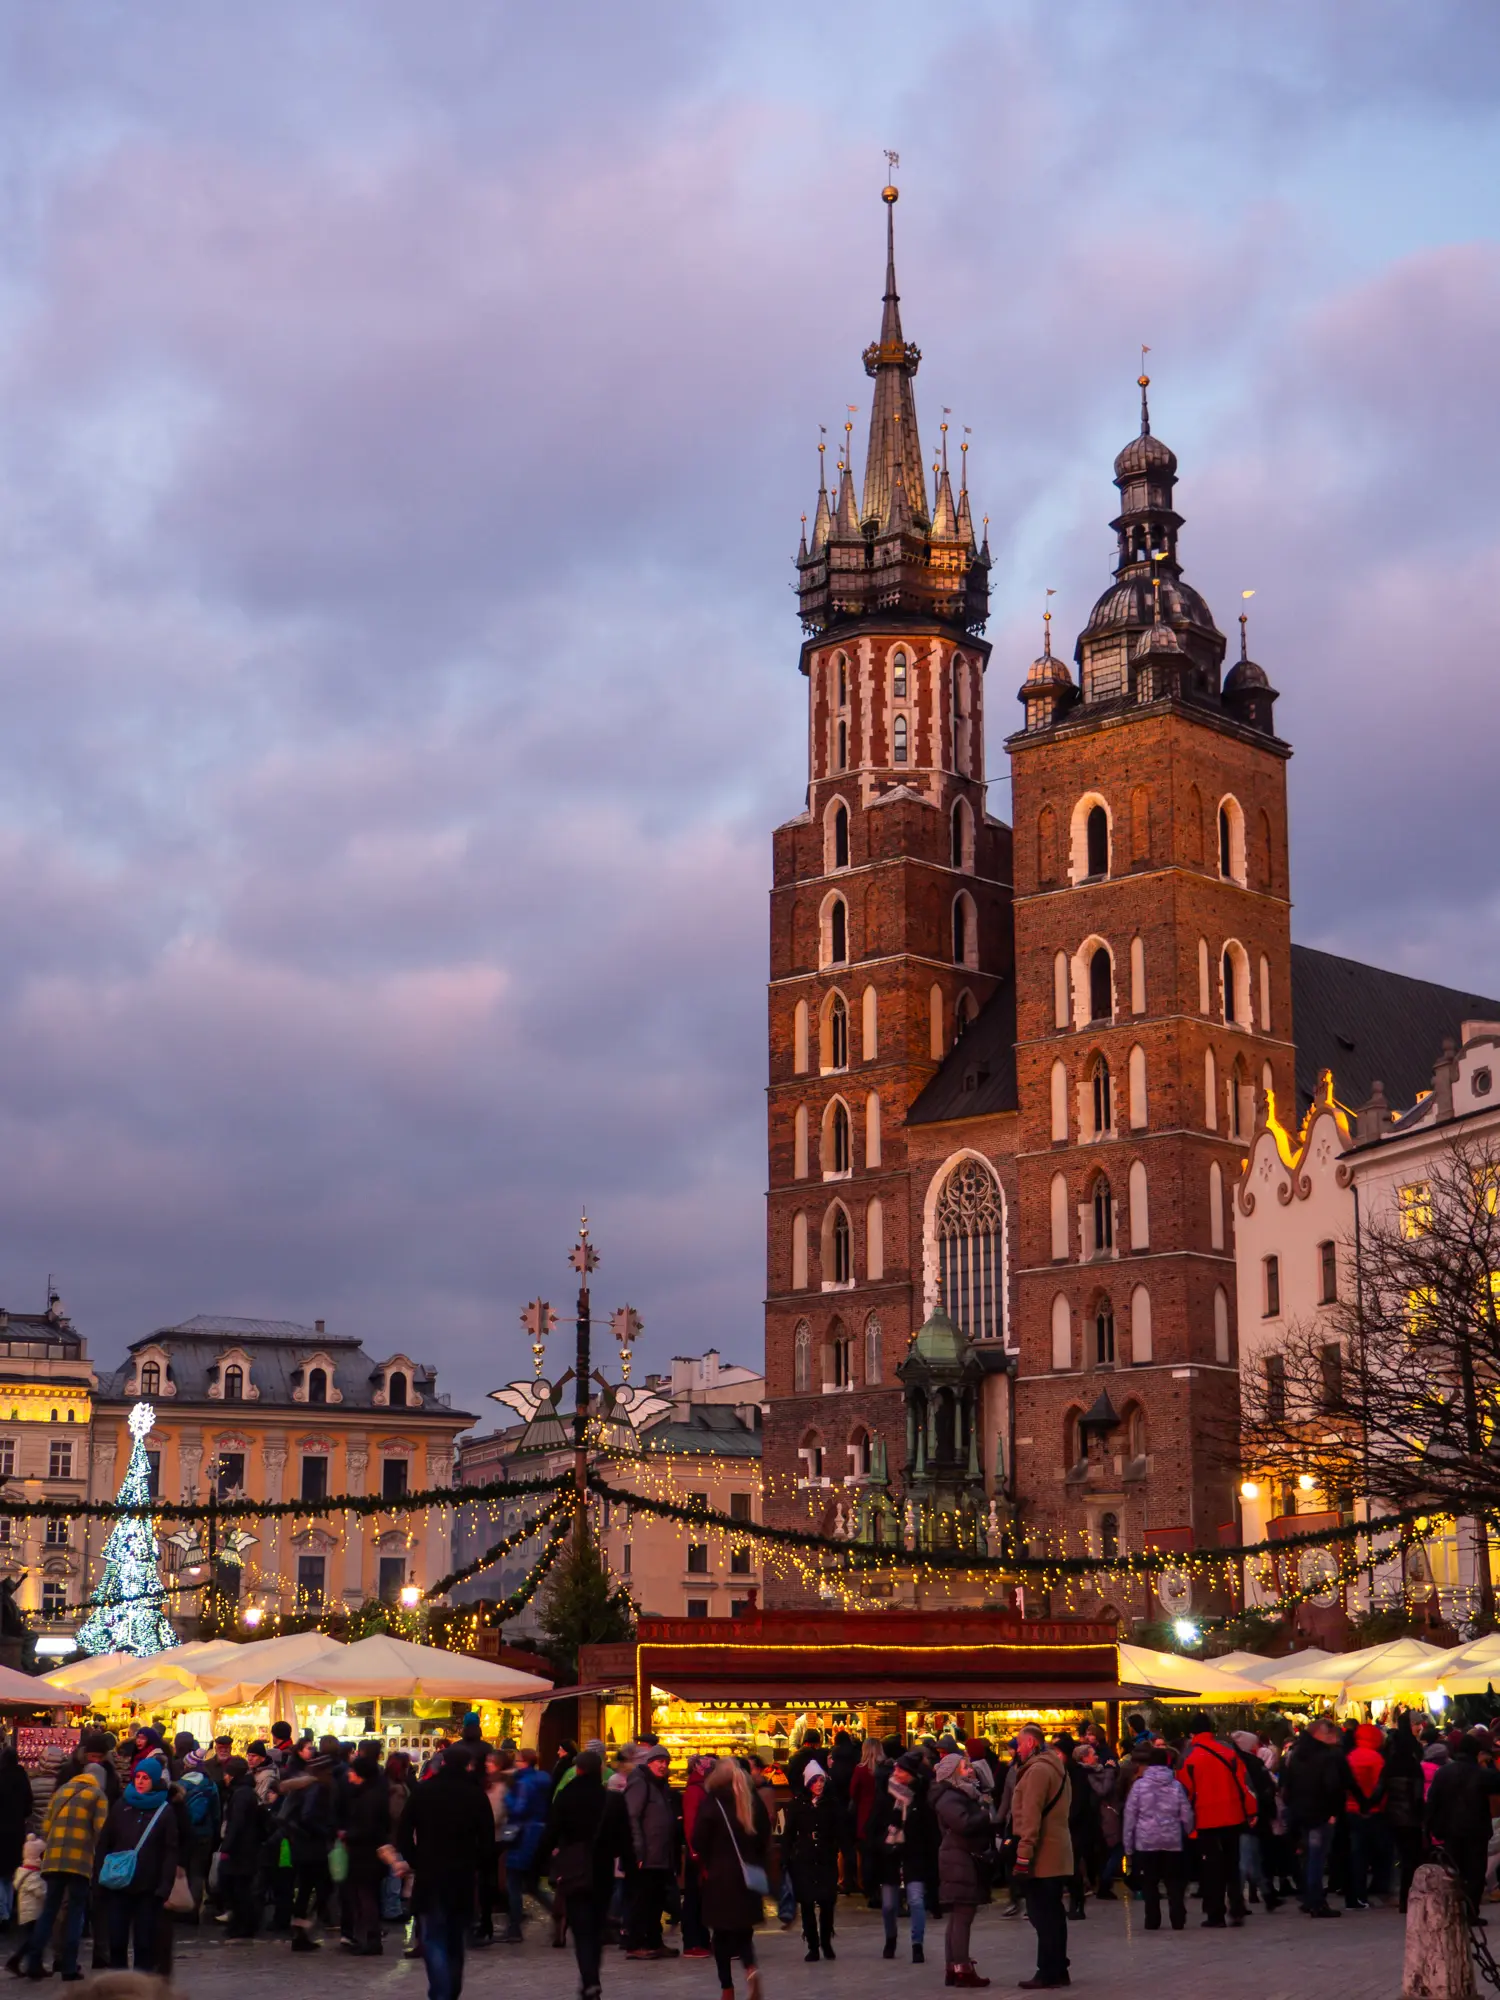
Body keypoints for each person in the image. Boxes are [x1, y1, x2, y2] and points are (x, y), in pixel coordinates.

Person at [398, 1745, 496, 2000]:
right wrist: (479, 1866)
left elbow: (403, 1831)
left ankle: (441, 1993)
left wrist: (415, 1859)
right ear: (468, 1765)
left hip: (431, 1873)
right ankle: (449, 1991)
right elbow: (487, 1839)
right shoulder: (475, 1795)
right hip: (461, 1875)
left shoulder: (424, 1791)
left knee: (434, 1938)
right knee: (454, 1939)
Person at [24, 1740, 111, 1981]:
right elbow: (100, 1831)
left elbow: (47, 1826)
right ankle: (69, 1967)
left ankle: (34, 1962)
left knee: (49, 1912)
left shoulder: (61, 1791)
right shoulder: (98, 1796)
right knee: (75, 1913)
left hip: (53, 1861)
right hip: (79, 1862)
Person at [693, 1757, 769, 2000]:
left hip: (720, 1878)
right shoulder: (750, 1799)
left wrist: (707, 1858)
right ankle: (751, 1968)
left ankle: (727, 1988)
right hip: (747, 1877)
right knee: (743, 1933)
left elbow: (698, 1839)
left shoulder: (712, 1802)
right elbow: (764, 1834)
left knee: (722, 1937)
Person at [94, 1755, 180, 1973]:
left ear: (154, 1780)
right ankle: (119, 1986)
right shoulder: (121, 1806)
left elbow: (170, 1850)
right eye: (138, 1777)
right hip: (118, 1884)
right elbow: (105, 1841)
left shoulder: (164, 1810)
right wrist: (98, 1876)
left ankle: (141, 1987)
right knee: (117, 1939)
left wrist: (164, 1886)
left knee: (144, 1942)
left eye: (146, 1778)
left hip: (148, 1887)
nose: (140, 1782)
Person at [1009, 1723, 1073, 1994]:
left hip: (1042, 1855)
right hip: (1058, 1851)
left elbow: (1030, 1817)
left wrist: (1023, 1855)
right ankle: (1059, 1969)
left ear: (1032, 1744)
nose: (1016, 1749)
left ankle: (1046, 1971)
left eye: (1020, 1744)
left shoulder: (1036, 1772)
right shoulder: (1058, 1769)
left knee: (1041, 1914)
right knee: (1055, 1914)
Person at [1177, 1714, 1256, 1927]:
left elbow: (1184, 1792)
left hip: (1205, 1819)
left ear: (1192, 1732)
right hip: (1233, 1815)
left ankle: (1215, 1914)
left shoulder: (1188, 1756)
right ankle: (1237, 1907)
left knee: (1211, 1868)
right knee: (1232, 1865)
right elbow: (1244, 1783)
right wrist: (1251, 1811)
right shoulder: (1229, 1751)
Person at [547, 1746, 613, 2000]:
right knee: (596, 1929)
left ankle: (589, 1980)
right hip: (603, 1871)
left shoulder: (567, 1796)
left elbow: (552, 1831)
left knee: (582, 1929)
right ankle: (592, 1977)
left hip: (575, 1871)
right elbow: (622, 1837)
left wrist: (545, 1861)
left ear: (578, 1769)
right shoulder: (609, 1798)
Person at [931, 1751, 992, 1989]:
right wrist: (984, 1816)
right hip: (958, 1858)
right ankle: (962, 1968)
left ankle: (954, 1966)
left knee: (958, 1916)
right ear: (954, 1772)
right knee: (963, 1915)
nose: (970, 1771)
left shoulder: (958, 1794)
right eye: (965, 1767)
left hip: (958, 1856)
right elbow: (963, 1823)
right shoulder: (949, 1798)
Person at [1281, 1716, 1351, 1918]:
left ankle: (1309, 1898)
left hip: (1301, 1812)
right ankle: (1316, 1902)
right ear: (1323, 1734)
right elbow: (1333, 1786)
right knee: (1317, 1858)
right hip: (1320, 1812)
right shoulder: (1326, 1755)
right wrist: (1332, 1812)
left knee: (1309, 1857)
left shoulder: (1297, 1753)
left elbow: (1287, 1785)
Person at [868, 1750, 934, 1963]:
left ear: (910, 1775)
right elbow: (873, 1827)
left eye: (900, 1769)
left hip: (913, 1856)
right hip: (890, 1857)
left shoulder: (921, 1798)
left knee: (916, 1900)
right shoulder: (885, 1795)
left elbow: (929, 1831)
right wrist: (883, 1844)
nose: (895, 1771)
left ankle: (917, 1944)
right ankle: (891, 1937)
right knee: (888, 1905)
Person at [1427, 1726, 1500, 1914]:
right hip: (1476, 1829)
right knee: (1475, 1872)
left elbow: (1433, 1800)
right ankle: (1471, 1911)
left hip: (1451, 1829)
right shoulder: (1482, 1774)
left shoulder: (1443, 1773)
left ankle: (1454, 1909)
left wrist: (1434, 1826)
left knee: (1454, 1870)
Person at [276, 1736, 338, 1951]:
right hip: (310, 1845)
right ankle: (305, 1927)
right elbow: (308, 1816)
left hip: (300, 1843)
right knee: (319, 1886)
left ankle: (300, 1931)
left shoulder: (304, 1784)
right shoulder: (316, 1787)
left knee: (305, 1887)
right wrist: (326, 1833)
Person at [1122, 1747, 1194, 1931]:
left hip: (1146, 1841)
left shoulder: (1139, 1786)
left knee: (1149, 1882)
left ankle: (1152, 1919)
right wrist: (1187, 1831)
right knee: (1174, 1882)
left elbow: (1130, 1816)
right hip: (1172, 1840)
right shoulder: (1175, 1785)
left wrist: (1128, 1846)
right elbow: (1186, 1813)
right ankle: (1178, 1918)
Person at [623, 1744, 680, 1960]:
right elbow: (632, 1817)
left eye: (666, 1762)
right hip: (645, 1856)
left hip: (660, 1855)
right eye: (659, 1761)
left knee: (655, 1901)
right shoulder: (640, 1783)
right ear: (649, 1762)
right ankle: (635, 1944)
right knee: (641, 1901)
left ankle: (655, 1942)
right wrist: (638, 1852)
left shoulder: (660, 1785)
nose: (663, 1766)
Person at [782, 1760, 840, 1962]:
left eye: (821, 1781)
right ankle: (813, 1945)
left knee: (826, 1903)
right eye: (815, 1781)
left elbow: (839, 1832)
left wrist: (836, 1850)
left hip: (825, 1859)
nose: (819, 1785)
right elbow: (789, 1834)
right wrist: (785, 1858)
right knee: (807, 1904)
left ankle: (826, 1942)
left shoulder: (831, 1804)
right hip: (805, 1860)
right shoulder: (797, 1805)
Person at [500, 1746, 552, 1942]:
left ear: (526, 1762)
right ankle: (560, 1914)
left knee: (513, 1884)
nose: (516, 1764)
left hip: (521, 1836)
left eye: (519, 1761)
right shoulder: (542, 1780)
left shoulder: (523, 1783)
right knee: (532, 1884)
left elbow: (519, 1808)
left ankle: (514, 1927)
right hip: (537, 1835)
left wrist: (507, 1796)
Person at [340, 1752, 389, 1955]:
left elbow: (367, 1828)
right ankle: (368, 1938)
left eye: (352, 1771)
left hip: (365, 1854)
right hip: (369, 1853)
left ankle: (371, 1939)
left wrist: (347, 1835)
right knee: (366, 1895)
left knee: (365, 1895)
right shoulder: (371, 1793)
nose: (348, 1775)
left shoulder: (368, 1797)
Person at [1377, 1714, 1427, 1913]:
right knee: (1411, 1859)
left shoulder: (1389, 1766)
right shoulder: (1414, 1767)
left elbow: (1378, 1792)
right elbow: (1416, 1796)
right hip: (1411, 1818)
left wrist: (1366, 1806)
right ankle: (1408, 1898)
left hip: (1392, 1816)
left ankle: (1400, 1897)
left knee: (1399, 1857)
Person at [217, 1756, 265, 1941]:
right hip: (247, 1847)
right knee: (240, 1888)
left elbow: (236, 1823)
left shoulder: (241, 1794)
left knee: (238, 1888)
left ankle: (242, 1925)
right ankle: (243, 1923)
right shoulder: (246, 1792)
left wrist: (227, 1847)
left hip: (241, 1850)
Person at [1344, 1721, 1388, 1909]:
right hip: (1371, 1811)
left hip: (1350, 1810)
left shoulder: (1350, 1756)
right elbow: (1381, 1787)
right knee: (1373, 1854)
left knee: (1355, 1855)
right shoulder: (1376, 1758)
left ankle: (1354, 1894)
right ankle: (1366, 1893)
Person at [680, 1756, 714, 1959]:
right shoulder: (695, 1791)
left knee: (701, 1898)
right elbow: (691, 1824)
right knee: (694, 1897)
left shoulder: (701, 1789)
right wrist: (695, 1850)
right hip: (697, 1853)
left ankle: (701, 1939)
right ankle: (692, 1942)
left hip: (702, 1851)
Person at [0, 1745, 33, 1925]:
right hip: (17, 1831)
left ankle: (3, 1912)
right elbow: (29, 1804)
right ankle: (9, 1910)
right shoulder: (22, 1777)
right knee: (11, 1872)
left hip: (1, 1831)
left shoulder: (1, 1776)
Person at [7, 1832, 45, 1973]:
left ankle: (31, 1965)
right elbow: (41, 1893)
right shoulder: (33, 1875)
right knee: (34, 1940)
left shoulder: (23, 1872)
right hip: (33, 1913)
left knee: (33, 1940)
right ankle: (17, 1960)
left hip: (28, 1913)